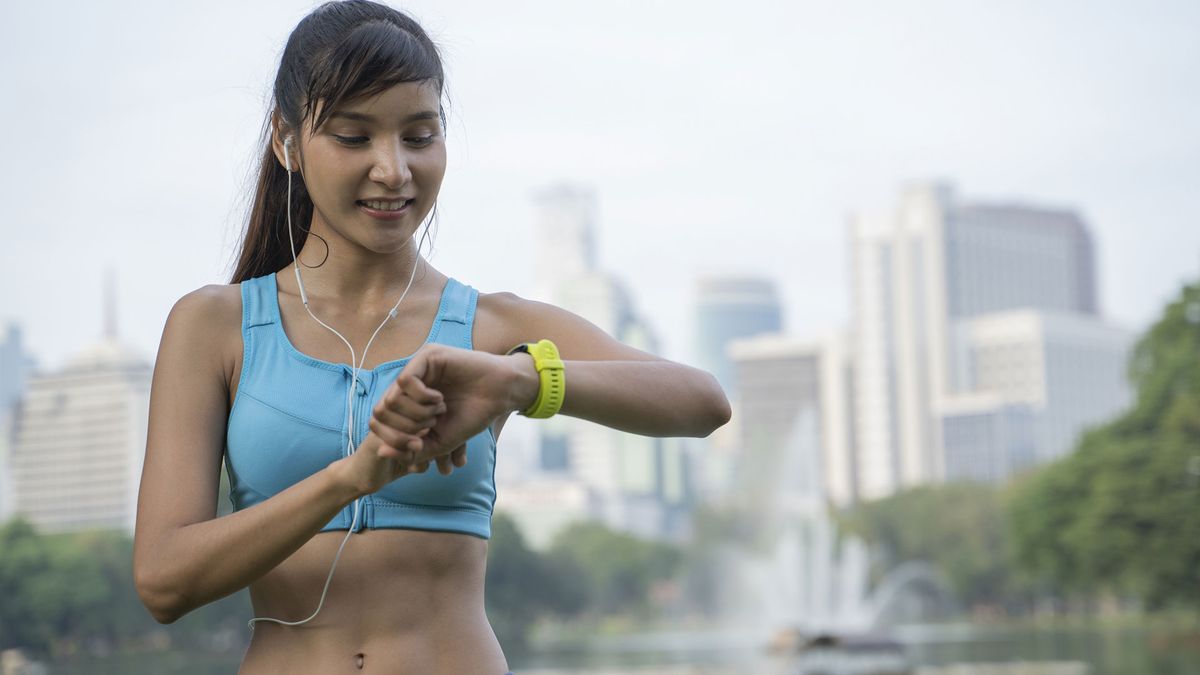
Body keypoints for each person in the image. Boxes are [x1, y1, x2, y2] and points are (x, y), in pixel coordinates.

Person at [132, 1, 730, 673]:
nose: (394, 169)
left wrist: (521, 379)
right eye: (354, 137)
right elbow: (163, 579)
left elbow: (703, 401)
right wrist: (352, 477)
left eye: (419, 135)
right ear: (286, 139)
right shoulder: (215, 326)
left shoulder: (492, 328)